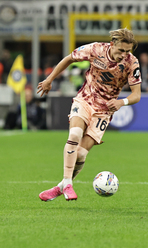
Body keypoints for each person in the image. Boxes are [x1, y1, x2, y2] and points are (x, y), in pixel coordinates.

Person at [37, 28, 142, 201]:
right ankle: (68, 184)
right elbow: (69, 59)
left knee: (81, 154)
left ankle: (61, 186)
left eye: (127, 51)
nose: (124, 54)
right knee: (75, 134)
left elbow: (136, 95)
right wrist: (49, 79)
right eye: (121, 50)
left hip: (104, 111)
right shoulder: (95, 49)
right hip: (85, 99)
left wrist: (121, 102)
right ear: (112, 44)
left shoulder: (132, 63)